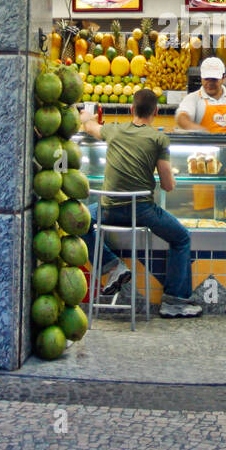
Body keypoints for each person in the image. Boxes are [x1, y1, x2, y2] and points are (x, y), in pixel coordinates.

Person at [79, 89, 201, 318]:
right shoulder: (159, 138)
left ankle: (113, 266)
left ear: (131, 109)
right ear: (156, 111)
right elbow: (168, 185)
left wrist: (87, 116)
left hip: (108, 211)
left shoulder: (113, 130)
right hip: (142, 211)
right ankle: (174, 302)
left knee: (79, 219)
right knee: (182, 237)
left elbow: (89, 127)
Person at [175, 57, 226, 133]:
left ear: (223, 78)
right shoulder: (193, 99)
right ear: (201, 77)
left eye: (214, 79)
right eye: (206, 79)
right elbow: (182, 117)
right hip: (204, 145)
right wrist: (197, 129)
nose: (210, 83)